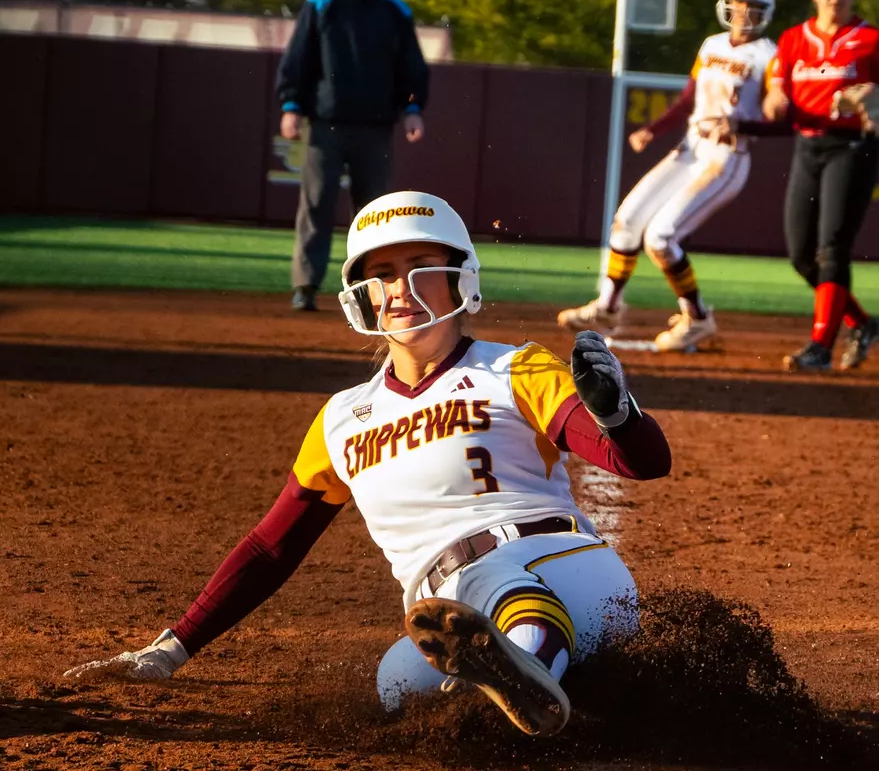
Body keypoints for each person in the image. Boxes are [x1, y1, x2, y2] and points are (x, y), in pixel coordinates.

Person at [64, 192, 672, 739]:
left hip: (568, 575)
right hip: (453, 612)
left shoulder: (515, 368)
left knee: (490, 578)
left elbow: (639, 462)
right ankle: (544, 697)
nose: (399, 288)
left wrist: (617, 415)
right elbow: (271, 550)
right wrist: (169, 650)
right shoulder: (341, 418)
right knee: (397, 680)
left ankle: (528, 669)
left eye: (417, 269)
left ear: (460, 278)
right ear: (362, 296)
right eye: (381, 275)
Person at [558, 0, 779, 353]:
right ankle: (609, 306)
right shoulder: (711, 44)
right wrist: (653, 129)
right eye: (738, 4)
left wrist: (744, 122)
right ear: (727, 6)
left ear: (766, 12)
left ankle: (697, 318)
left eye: (753, 7)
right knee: (627, 222)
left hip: (727, 154)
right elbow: (689, 99)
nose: (743, 13)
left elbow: (777, 115)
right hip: (690, 147)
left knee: (660, 237)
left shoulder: (769, 56)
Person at [276, 0, 429, 313]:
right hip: (325, 125)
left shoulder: (395, 11)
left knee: (375, 216)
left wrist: (412, 109)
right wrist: (291, 104)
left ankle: (370, 293)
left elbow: (411, 68)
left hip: (375, 127)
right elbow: (299, 59)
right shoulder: (322, 3)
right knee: (316, 206)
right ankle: (306, 286)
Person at [763, 0, 879, 372]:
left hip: (853, 147)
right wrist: (775, 102)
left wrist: (870, 99)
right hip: (807, 146)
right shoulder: (794, 39)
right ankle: (863, 324)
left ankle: (820, 346)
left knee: (833, 247)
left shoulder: (871, 40)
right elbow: (775, 96)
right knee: (800, 254)